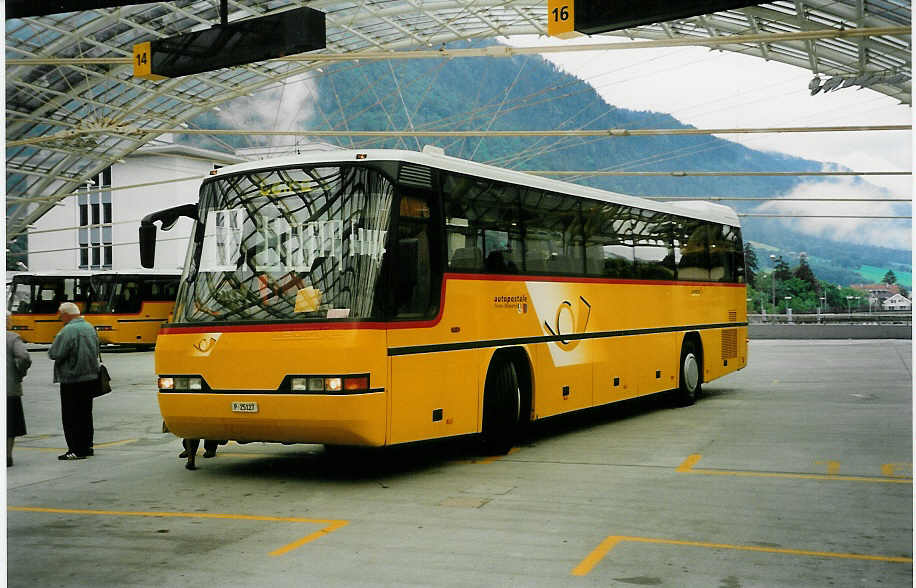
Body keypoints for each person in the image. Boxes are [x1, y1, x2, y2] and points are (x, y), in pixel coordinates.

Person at [48, 302, 99, 460]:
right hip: (90, 377)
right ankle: (87, 445)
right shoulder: (90, 328)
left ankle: (75, 449)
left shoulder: (68, 331)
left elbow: (55, 353)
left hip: (71, 378)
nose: (60, 318)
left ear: (66, 314)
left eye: (61, 315)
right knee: (85, 414)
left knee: (71, 416)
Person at [7, 329, 32, 467]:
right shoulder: (12, 338)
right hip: (9, 388)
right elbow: (24, 357)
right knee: (9, 424)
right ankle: (7, 456)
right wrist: (20, 373)